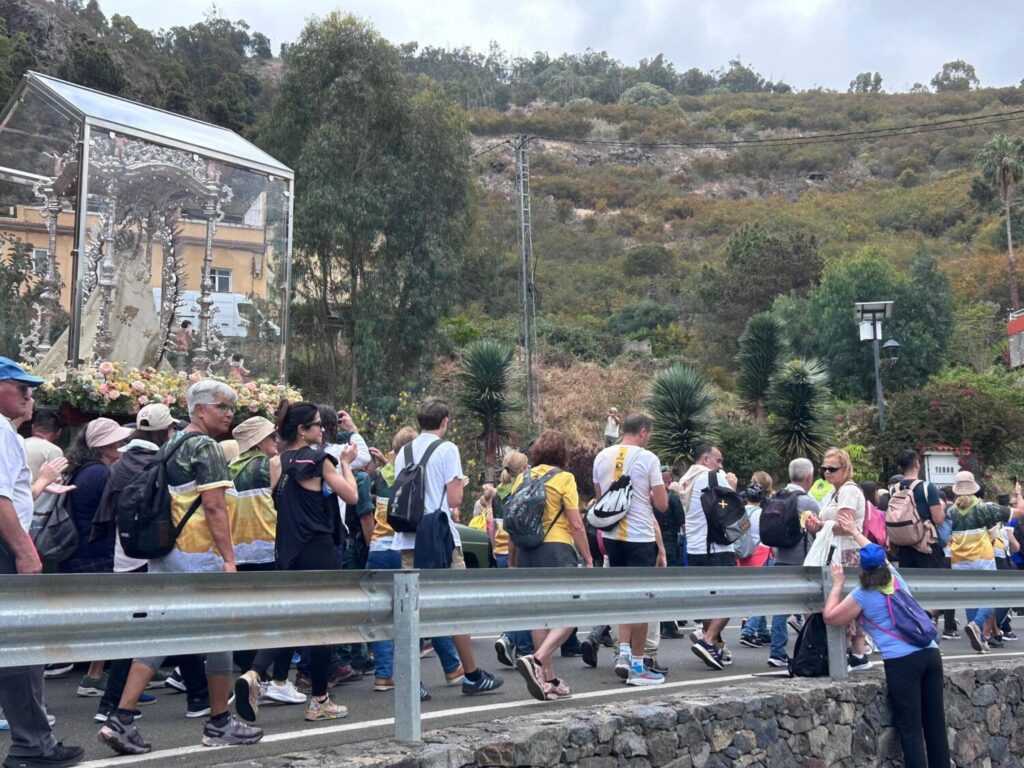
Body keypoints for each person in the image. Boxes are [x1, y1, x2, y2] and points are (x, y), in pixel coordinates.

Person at [99, 380, 264, 754]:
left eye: (231, 407)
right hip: (199, 555)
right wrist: (228, 558)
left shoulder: (172, 443)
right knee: (219, 633)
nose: (229, 413)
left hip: (167, 554)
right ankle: (219, 723)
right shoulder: (205, 447)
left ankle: (123, 717)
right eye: (223, 406)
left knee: (164, 632)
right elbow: (214, 506)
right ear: (200, 409)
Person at [0, 358, 85, 768]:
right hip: (6, 547)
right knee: (22, 647)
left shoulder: (9, 435)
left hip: (8, 540)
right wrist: (23, 550)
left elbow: (12, 498)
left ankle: (33, 742)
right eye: (20, 387)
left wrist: (37, 485)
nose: (29, 396)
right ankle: (33, 745)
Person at [391, 398, 503, 695]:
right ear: (445, 422)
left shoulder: (404, 450)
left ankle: (411, 681)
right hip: (439, 537)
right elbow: (453, 500)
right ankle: (472, 674)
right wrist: (461, 485)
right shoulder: (447, 449)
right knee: (455, 605)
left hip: (408, 537)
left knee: (410, 609)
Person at [824, 533, 950, 768]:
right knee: (935, 724)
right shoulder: (896, 578)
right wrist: (855, 531)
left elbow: (831, 617)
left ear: (862, 570)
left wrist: (837, 584)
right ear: (884, 563)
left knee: (911, 729)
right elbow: (876, 551)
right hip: (931, 654)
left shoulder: (862, 595)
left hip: (903, 662)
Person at [270, 401, 358, 720]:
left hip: (289, 551)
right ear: (302, 430)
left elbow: (275, 505)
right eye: (318, 425)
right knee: (325, 625)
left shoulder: (276, 462)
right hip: (319, 548)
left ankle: (254, 676)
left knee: (290, 620)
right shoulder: (321, 459)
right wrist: (346, 463)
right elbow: (351, 496)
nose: (323, 430)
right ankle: (319, 700)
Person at [230, 416, 309, 722]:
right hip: (269, 548)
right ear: (260, 442)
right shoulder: (271, 464)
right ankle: (276, 681)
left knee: (247, 620)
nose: (275, 441)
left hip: (238, 552)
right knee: (282, 615)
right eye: (270, 437)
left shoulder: (230, 467)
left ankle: (253, 680)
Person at [510, 430, 592, 700]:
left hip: (526, 552)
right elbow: (576, 523)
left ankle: (549, 679)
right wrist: (588, 558)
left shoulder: (522, 478)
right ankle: (538, 659)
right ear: (562, 454)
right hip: (556, 549)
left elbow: (513, 521)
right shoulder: (564, 478)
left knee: (539, 614)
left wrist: (512, 560)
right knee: (573, 611)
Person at [592, 413, 668, 686]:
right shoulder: (649, 458)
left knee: (623, 595)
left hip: (611, 535)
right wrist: (646, 494)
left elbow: (601, 498)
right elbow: (662, 504)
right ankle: (638, 664)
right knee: (642, 600)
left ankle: (622, 652)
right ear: (644, 432)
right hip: (640, 536)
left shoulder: (601, 456)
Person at [947, 471, 1024, 653]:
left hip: (958, 560)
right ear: (975, 488)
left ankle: (981, 640)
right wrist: (1019, 494)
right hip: (981, 558)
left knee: (970, 598)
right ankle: (977, 624)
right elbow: (1020, 512)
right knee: (991, 595)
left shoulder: (951, 511)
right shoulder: (985, 508)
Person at [679, 444, 735, 671]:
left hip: (694, 549)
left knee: (706, 598)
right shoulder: (714, 476)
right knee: (734, 596)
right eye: (718, 460)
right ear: (705, 459)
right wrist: (731, 484)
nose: (721, 465)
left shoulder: (685, 480)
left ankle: (716, 643)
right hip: (717, 548)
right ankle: (708, 639)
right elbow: (731, 505)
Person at [816, 447, 871, 671]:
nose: (827, 473)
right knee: (851, 601)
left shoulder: (848, 491)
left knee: (845, 603)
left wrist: (820, 525)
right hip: (840, 550)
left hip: (848, 552)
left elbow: (845, 527)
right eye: (824, 469)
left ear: (845, 469)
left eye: (832, 469)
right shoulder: (834, 491)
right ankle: (858, 653)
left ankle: (851, 652)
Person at [763, 458, 820, 668]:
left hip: (779, 558)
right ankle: (811, 648)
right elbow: (818, 530)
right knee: (812, 606)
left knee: (782, 607)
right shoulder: (807, 501)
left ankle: (777, 652)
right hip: (802, 560)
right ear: (809, 477)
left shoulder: (777, 497)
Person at [893, 450, 946, 570]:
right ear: (917, 463)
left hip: (903, 547)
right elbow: (938, 520)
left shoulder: (895, 490)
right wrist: (942, 508)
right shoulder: (927, 487)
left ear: (900, 467)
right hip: (926, 545)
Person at [656, 466, 685, 639]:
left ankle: (660, 624)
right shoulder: (672, 497)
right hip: (669, 543)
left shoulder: (650, 498)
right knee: (669, 585)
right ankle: (668, 624)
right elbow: (681, 521)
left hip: (652, 542)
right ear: (670, 481)